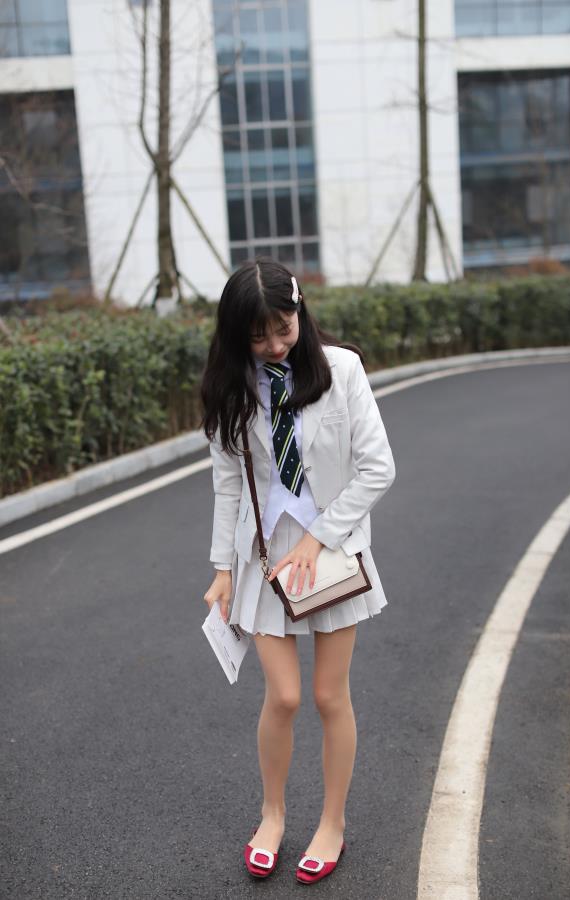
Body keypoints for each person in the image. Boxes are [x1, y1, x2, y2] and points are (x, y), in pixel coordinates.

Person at [201, 257, 396, 884]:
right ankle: (273, 816)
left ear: (300, 309)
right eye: (257, 336)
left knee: (328, 695)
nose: (274, 345)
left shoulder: (342, 370)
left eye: (282, 329)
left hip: (330, 551)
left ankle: (332, 823)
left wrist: (318, 539)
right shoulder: (232, 387)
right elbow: (228, 484)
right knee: (282, 696)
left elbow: (378, 469)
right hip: (264, 555)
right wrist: (222, 567)